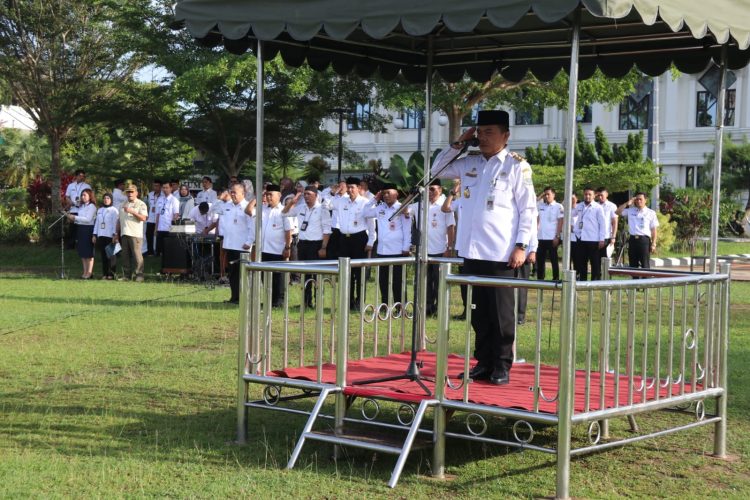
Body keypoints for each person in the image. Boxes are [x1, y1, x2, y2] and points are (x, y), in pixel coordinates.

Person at [432, 110, 536, 385]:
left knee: (501, 314)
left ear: (506, 135)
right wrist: (459, 142)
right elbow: (436, 170)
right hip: (471, 250)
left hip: (501, 252)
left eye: (490, 131)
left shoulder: (516, 166)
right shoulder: (469, 162)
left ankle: (501, 365)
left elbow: (528, 210)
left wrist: (522, 245)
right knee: (477, 312)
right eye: (480, 131)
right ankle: (483, 362)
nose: (484, 137)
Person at [282, 184, 332, 308]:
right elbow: (284, 213)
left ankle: (318, 301)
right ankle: (306, 301)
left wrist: (324, 247)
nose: (306, 196)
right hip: (303, 243)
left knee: (316, 274)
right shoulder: (300, 208)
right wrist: (292, 202)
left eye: (309, 194)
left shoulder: (322, 209)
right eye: (305, 194)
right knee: (305, 274)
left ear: (316, 195)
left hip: (316, 244)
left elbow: (327, 229)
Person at [330, 177, 376, 309]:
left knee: (359, 273)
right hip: (344, 238)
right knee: (346, 272)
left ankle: (359, 302)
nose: (350, 190)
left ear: (359, 188)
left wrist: (371, 241)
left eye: (353, 187)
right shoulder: (341, 201)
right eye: (348, 187)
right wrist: (336, 193)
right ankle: (347, 301)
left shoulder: (365, 202)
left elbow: (371, 224)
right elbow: (327, 205)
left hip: (359, 239)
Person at [364, 184, 411, 307]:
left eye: (388, 193)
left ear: (396, 194)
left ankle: (401, 307)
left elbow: (407, 230)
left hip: (397, 250)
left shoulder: (402, 208)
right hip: (382, 251)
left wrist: (406, 247)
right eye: (384, 193)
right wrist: (375, 199)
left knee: (398, 282)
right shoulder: (380, 208)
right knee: (383, 281)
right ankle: (384, 306)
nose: (386, 195)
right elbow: (365, 212)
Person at [416, 179, 455, 316]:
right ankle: (428, 307)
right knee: (426, 281)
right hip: (424, 250)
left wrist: (449, 248)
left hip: (440, 249)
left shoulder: (445, 205)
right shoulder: (420, 205)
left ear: (440, 190)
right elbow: (402, 210)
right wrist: (412, 194)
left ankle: (441, 308)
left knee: (439, 281)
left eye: (433, 189)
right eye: (428, 189)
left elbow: (451, 227)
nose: (430, 192)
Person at [220, 183, 255, 304]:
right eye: (231, 192)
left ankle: (244, 298)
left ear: (243, 194)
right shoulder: (227, 206)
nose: (232, 194)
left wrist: (249, 242)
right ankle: (234, 297)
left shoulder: (247, 207)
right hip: (230, 244)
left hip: (242, 246)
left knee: (242, 274)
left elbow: (252, 227)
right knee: (232, 274)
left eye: (235, 192)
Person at [260, 184, 293, 307]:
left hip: (278, 249)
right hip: (264, 248)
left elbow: (288, 231)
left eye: (271, 194)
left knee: (278, 277)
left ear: (279, 196)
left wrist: (287, 247)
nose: (268, 197)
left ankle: (279, 300)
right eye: (267, 194)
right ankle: (269, 299)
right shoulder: (264, 210)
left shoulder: (283, 211)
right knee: (265, 276)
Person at [616, 192, 660, 269]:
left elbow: (654, 230)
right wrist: (627, 203)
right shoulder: (631, 210)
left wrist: (653, 244)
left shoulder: (651, 213)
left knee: (645, 264)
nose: (638, 201)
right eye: (637, 199)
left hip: (644, 240)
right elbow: (617, 212)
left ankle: (645, 280)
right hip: (632, 240)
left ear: (645, 200)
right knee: (633, 264)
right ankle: (635, 280)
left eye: (640, 199)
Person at [571, 187, 607, 281]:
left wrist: (601, 239)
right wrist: (571, 202)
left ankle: (595, 282)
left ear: (594, 196)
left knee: (595, 262)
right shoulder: (580, 206)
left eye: (589, 194)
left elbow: (602, 224)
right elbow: (570, 214)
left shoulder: (598, 207)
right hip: (581, 238)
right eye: (586, 194)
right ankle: (582, 281)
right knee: (582, 262)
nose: (587, 196)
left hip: (593, 239)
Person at [114, 185, 148, 281]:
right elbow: (119, 220)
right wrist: (116, 233)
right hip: (124, 233)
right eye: (128, 192)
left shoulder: (141, 204)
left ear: (136, 193)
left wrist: (132, 212)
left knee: (137, 255)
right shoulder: (123, 204)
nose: (130, 194)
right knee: (125, 256)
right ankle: (127, 276)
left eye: (132, 192)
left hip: (135, 234)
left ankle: (139, 275)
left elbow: (143, 218)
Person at [67, 188, 97, 279]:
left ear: (90, 196)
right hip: (80, 229)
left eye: (85, 195)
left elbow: (88, 219)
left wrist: (75, 218)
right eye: (82, 195)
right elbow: (79, 219)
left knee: (89, 253)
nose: (83, 197)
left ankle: (89, 272)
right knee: (82, 252)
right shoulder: (81, 206)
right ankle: (84, 271)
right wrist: (72, 218)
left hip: (88, 229)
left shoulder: (92, 206)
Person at [536, 186, 563, 281]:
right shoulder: (541, 206)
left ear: (554, 195)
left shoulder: (558, 206)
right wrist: (541, 196)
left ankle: (555, 278)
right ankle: (540, 279)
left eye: (548, 194)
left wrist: (557, 236)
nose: (547, 196)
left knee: (554, 260)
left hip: (552, 237)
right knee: (540, 260)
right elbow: (535, 203)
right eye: (545, 194)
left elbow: (560, 221)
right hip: (541, 237)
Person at [93, 193, 119, 279]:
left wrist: (114, 235)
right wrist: (94, 234)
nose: (106, 200)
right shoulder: (100, 210)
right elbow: (97, 223)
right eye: (104, 198)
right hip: (101, 235)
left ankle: (111, 274)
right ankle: (104, 274)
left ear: (111, 200)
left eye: (108, 198)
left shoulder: (114, 210)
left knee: (111, 256)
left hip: (110, 236)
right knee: (103, 256)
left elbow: (115, 223)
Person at [63, 169, 91, 249]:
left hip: (83, 210)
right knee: (72, 228)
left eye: (83, 176)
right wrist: (70, 202)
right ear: (76, 176)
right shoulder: (71, 185)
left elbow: (90, 198)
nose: (82, 177)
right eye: (80, 176)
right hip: (73, 209)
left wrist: (81, 202)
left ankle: (81, 245)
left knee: (81, 228)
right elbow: (67, 196)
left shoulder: (87, 186)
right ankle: (71, 245)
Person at [154, 182, 179, 257]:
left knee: (169, 249)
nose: (165, 189)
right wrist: (156, 228)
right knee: (160, 248)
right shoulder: (160, 199)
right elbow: (158, 214)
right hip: (160, 228)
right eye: (163, 188)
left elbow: (176, 215)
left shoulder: (174, 200)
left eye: (167, 187)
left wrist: (174, 229)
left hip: (169, 228)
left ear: (171, 188)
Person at [595, 187, 619, 260]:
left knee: (605, 259)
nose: (600, 197)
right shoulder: (595, 205)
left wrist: (613, 237)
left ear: (606, 194)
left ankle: (605, 271)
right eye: (598, 195)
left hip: (607, 236)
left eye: (602, 195)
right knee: (596, 258)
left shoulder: (612, 206)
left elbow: (614, 222)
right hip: (595, 236)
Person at [145, 180, 162, 255]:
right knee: (149, 235)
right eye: (154, 186)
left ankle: (158, 251)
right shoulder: (150, 194)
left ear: (160, 187)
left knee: (159, 235)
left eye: (157, 186)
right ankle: (150, 251)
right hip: (151, 219)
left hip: (159, 219)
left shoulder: (163, 195)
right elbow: (148, 206)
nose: (155, 187)